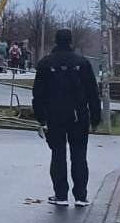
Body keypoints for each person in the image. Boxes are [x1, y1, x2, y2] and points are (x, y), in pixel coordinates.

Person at [32, 29, 102, 207]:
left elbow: (38, 94)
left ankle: (61, 194)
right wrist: (95, 117)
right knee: (79, 155)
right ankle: (80, 195)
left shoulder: (45, 64)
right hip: (79, 115)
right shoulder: (82, 63)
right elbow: (93, 92)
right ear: (71, 41)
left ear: (56, 41)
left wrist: (41, 118)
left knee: (58, 154)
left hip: (54, 115)